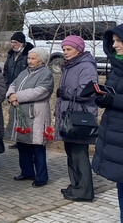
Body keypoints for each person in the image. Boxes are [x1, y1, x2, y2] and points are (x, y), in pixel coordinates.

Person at [54, 35, 98, 202]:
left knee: (79, 155)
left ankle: (85, 191)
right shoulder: (70, 66)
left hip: (80, 119)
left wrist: (65, 92)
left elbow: (87, 91)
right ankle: (76, 186)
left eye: (68, 49)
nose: (65, 52)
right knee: (71, 154)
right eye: (64, 49)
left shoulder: (86, 66)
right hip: (69, 118)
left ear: (78, 50)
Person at [6, 48, 54, 188]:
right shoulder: (24, 72)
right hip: (22, 114)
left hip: (35, 115)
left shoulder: (46, 74)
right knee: (23, 144)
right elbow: (13, 85)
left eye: (33, 59)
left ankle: (41, 176)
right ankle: (27, 172)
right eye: (29, 58)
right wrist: (10, 96)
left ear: (41, 60)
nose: (30, 61)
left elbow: (41, 91)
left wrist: (18, 96)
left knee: (37, 147)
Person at [92, 24, 123, 221]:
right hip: (116, 136)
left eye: (119, 40)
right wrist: (102, 97)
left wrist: (114, 100)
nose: (115, 46)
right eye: (113, 41)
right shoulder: (117, 67)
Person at [3, 31, 35, 149]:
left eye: (15, 42)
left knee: (25, 116)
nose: (13, 44)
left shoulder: (28, 55)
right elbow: (6, 71)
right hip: (12, 90)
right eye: (11, 42)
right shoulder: (11, 55)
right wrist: (7, 87)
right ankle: (18, 138)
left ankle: (26, 139)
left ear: (22, 43)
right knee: (16, 116)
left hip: (24, 90)